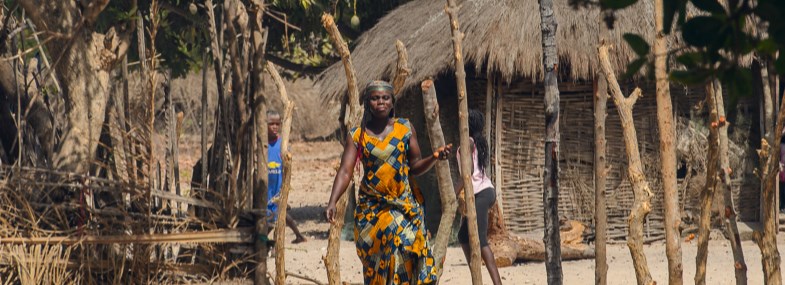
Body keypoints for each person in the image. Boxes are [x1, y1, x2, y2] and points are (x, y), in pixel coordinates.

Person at [324, 80, 451, 285]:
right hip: (372, 209)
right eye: (375, 98)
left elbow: (415, 165)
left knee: (409, 247)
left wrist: (434, 157)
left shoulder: (404, 128)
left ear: (392, 103)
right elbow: (345, 172)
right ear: (367, 103)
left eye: (385, 98)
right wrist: (332, 202)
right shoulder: (357, 135)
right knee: (381, 255)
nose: (380, 102)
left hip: (404, 205)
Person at [454, 109, 502, 285]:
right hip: (483, 192)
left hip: (481, 193)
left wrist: (452, 195)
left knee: (481, 241)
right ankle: (476, 273)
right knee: (463, 236)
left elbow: (468, 172)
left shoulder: (468, 142)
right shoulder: (475, 142)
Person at [267, 110, 307, 244]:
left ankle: (272, 243)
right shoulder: (262, 144)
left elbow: (287, 165)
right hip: (267, 186)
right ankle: (296, 236)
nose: (274, 127)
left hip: (278, 185)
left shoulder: (282, 145)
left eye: (277, 124)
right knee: (271, 214)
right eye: (271, 124)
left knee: (278, 213)